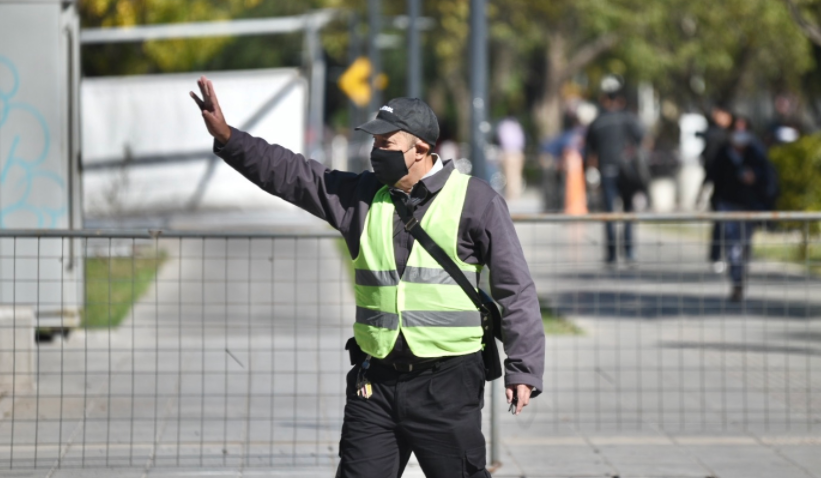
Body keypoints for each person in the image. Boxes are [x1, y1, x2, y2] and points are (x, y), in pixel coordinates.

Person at [189, 77, 545, 478]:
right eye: (374, 144)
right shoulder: (360, 196)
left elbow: (515, 288)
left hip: (447, 385)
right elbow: (292, 174)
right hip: (375, 382)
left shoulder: (476, 201)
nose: (375, 153)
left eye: (385, 145)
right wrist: (229, 139)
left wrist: (524, 367)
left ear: (421, 150)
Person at [710, 116, 770, 302]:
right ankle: (736, 281)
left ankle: (740, 277)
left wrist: (755, 177)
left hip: (749, 207)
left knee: (744, 245)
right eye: (737, 129)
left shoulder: (756, 152)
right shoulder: (723, 152)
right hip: (727, 204)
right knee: (732, 243)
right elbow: (712, 176)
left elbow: (767, 177)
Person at [585, 86, 646, 264]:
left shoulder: (598, 121)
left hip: (606, 170)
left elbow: (589, 150)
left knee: (609, 213)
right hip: (627, 172)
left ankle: (611, 253)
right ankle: (628, 250)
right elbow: (642, 138)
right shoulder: (628, 118)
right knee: (628, 211)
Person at [698, 103, 733, 271]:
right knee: (721, 223)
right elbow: (709, 161)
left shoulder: (730, 135)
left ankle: (728, 255)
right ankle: (717, 255)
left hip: (731, 186)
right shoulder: (715, 135)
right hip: (719, 185)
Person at [496, 116, 526, 201]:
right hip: (518, 151)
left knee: (509, 174)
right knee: (517, 175)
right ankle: (516, 194)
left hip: (508, 151)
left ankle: (510, 195)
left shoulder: (503, 126)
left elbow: (501, 139)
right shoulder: (517, 126)